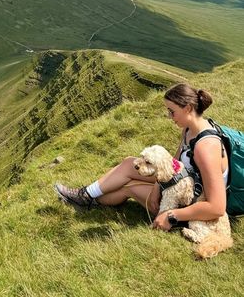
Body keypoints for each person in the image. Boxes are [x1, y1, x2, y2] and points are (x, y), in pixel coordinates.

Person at [54, 83, 229, 230]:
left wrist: (171, 215)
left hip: (188, 204)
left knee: (128, 187)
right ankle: (85, 195)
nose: (170, 117)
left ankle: (86, 203)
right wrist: (156, 188)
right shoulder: (190, 129)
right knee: (130, 163)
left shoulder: (206, 148)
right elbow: (173, 165)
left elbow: (217, 207)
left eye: (172, 111)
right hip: (179, 185)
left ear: (188, 108)